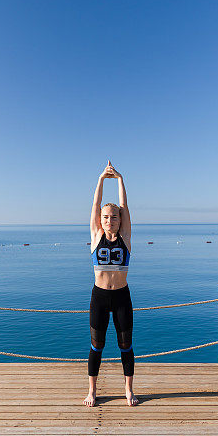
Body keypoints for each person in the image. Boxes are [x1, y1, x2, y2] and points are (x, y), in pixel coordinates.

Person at [84, 160, 138, 407]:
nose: (108, 220)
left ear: (119, 219)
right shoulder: (96, 237)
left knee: (125, 346)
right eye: (105, 217)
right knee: (97, 345)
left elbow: (124, 205)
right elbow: (95, 205)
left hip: (121, 297)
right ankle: (92, 391)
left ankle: (128, 390)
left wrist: (120, 179)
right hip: (100, 297)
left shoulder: (125, 238)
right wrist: (100, 179)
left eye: (113, 217)